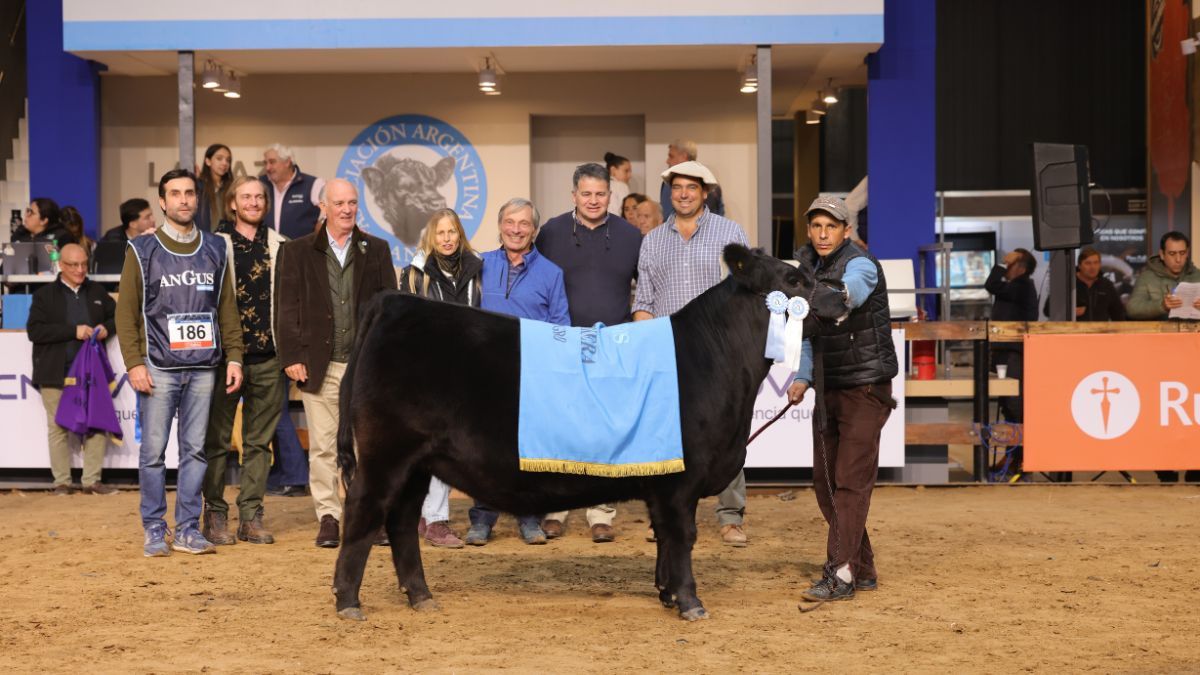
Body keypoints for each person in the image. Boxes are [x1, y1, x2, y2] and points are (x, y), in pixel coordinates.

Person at [116, 169, 245, 557]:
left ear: (196, 199)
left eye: (189, 193)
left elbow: (227, 309)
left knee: (195, 452)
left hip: (205, 366)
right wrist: (135, 362)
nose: (184, 200)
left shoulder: (217, 248)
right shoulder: (141, 249)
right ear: (162, 201)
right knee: (153, 453)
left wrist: (235, 356)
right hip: (157, 366)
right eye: (175, 194)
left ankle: (189, 528)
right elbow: (125, 313)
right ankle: (155, 528)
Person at [632, 160, 750, 547]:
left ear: (705, 193)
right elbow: (645, 297)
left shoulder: (729, 233)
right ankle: (663, 515)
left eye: (691, 188)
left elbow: (744, 293)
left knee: (724, 432)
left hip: (718, 354)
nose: (683, 194)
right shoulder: (653, 239)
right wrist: (645, 345)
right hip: (668, 351)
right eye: (677, 187)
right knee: (665, 436)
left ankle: (730, 516)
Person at [786, 195, 898, 602]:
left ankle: (841, 574)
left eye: (830, 226)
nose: (822, 233)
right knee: (826, 484)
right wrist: (801, 376)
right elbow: (805, 330)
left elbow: (843, 298)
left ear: (846, 231)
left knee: (850, 482)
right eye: (816, 226)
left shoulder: (861, 266)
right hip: (828, 387)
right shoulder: (808, 269)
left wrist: (796, 293)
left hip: (866, 388)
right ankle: (862, 567)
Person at [275, 178, 397, 548]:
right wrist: (292, 356)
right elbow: (286, 307)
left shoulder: (375, 249)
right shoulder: (296, 252)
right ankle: (329, 516)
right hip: (318, 366)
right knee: (325, 446)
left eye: (352, 203)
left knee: (366, 447)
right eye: (339, 203)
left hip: (364, 368)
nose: (346, 209)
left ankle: (367, 518)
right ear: (323, 208)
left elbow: (388, 306)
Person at [536, 163, 642, 543]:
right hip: (561, 344)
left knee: (605, 432)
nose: (593, 200)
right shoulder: (550, 232)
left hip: (613, 346)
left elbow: (642, 289)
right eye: (586, 194)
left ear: (610, 196)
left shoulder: (632, 236)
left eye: (600, 194)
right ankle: (557, 507)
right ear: (574, 196)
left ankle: (601, 512)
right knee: (561, 429)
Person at [468, 198, 568, 546]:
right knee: (485, 450)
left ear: (535, 231)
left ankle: (529, 518)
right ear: (500, 226)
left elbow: (560, 326)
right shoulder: (478, 264)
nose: (516, 229)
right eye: (510, 222)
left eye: (524, 224)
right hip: (487, 375)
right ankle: (482, 519)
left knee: (531, 451)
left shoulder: (551, 273)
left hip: (533, 375)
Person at [200, 177, 288, 546]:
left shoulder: (280, 245)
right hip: (223, 359)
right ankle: (215, 514)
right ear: (232, 203)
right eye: (246, 197)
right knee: (217, 441)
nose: (253, 202)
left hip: (269, 358)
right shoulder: (215, 245)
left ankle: (251, 516)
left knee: (258, 444)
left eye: (259, 197)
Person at [397, 209, 483, 549]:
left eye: (453, 232)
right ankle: (434, 520)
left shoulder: (476, 272)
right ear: (430, 238)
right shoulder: (414, 275)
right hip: (425, 374)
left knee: (446, 446)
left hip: (463, 372)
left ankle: (429, 515)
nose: (447, 238)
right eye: (441, 233)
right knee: (427, 446)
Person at [27, 243, 118, 496]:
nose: (80, 270)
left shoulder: (97, 291)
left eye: (84, 264)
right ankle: (62, 482)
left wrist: (105, 328)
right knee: (58, 427)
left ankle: (91, 481)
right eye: (74, 265)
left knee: (97, 424)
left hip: (91, 374)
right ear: (61, 266)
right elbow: (35, 331)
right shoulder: (44, 296)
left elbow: (117, 315)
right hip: (55, 372)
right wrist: (73, 331)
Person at [1126, 232, 1200, 483]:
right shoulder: (1148, 277)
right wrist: (1161, 306)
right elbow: (1132, 309)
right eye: (1172, 254)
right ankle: (1165, 467)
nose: (1178, 259)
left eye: (1182, 253)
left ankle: (1195, 466)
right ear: (1162, 254)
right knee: (1161, 411)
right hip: (1160, 354)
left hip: (1192, 354)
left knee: (1192, 411)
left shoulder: (1197, 276)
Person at [985, 248, 1038, 471]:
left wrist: (998, 263)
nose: (1007, 266)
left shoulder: (1023, 284)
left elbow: (992, 285)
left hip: (1013, 352)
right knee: (1007, 404)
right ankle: (1013, 455)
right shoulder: (1016, 286)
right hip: (1005, 351)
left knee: (1015, 404)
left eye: (1011, 262)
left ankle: (1022, 455)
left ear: (1021, 267)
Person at [259, 143, 325, 240]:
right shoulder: (259, 184)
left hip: (302, 251)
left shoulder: (313, 184)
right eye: (265, 163)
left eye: (272, 162)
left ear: (287, 162)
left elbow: (327, 217)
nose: (267, 168)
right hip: (267, 251)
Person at [658, 140, 724, 220]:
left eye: (671, 156)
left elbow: (667, 216)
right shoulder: (711, 181)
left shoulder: (669, 184)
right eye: (677, 187)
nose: (667, 161)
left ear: (684, 156)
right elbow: (720, 212)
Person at [196, 143, 233, 233]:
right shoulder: (198, 187)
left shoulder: (232, 187)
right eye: (219, 158)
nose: (224, 163)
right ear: (208, 161)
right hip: (205, 241)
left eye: (228, 160)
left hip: (228, 241)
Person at [604, 152, 632, 216]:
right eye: (626, 171)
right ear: (613, 170)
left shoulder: (598, 184)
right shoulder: (621, 186)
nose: (630, 175)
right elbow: (627, 211)